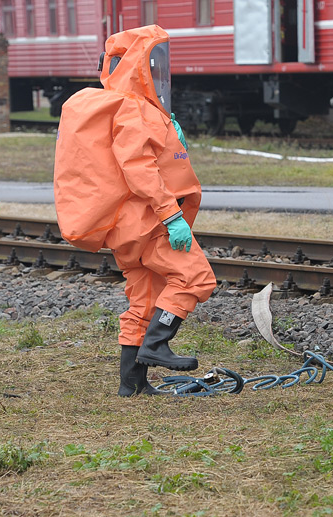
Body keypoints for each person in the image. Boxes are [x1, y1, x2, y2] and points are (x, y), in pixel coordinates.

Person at [54, 24, 216, 397]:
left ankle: (132, 383)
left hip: (129, 225)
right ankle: (157, 345)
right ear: (139, 65)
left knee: (144, 298)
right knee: (195, 278)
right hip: (147, 223)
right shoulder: (132, 108)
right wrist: (171, 216)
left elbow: (150, 158)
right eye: (154, 64)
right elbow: (138, 168)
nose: (161, 73)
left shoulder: (130, 106)